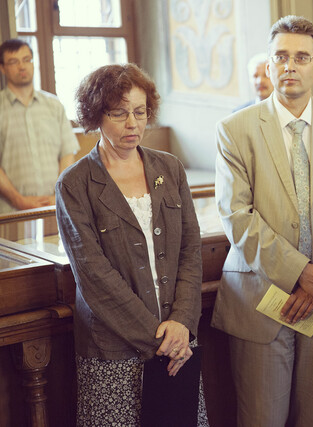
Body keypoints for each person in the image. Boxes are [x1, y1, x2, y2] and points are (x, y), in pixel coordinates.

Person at [212, 15, 313, 427]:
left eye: (301, 57)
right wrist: (301, 273)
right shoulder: (235, 130)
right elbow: (236, 215)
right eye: (281, 56)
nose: (290, 66)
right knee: (261, 419)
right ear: (269, 65)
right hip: (259, 298)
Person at [55, 63, 208, 426]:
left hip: (177, 338)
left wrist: (181, 323)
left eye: (140, 112)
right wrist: (161, 340)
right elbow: (94, 275)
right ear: (96, 115)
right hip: (113, 349)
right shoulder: (75, 183)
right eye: (119, 113)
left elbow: (190, 250)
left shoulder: (170, 168)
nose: (132, 124)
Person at [0, 38, 78, 213]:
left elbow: (67, 153)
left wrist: (58, 194)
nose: (22, 66)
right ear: (2, 68)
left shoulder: (54, 105)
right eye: (13, 62)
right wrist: (19, 200)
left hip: (55, 207)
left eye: (26, 59)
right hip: (10, 212)